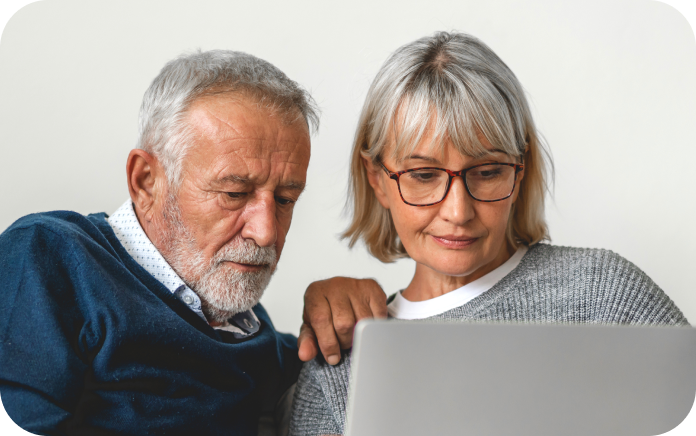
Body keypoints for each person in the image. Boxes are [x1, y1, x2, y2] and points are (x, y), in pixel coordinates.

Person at [288, 31, 689, 436]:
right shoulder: (340, 360)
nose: (458, 212)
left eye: (488, 172)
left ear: (521, 167)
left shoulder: (605, 296)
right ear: (377, 179)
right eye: (424, 176)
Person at [0, 50, 386, 436]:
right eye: (234, 193)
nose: (266, 232)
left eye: (285, 200)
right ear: (146, 181)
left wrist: (340, 305)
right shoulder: (49, 258)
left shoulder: (254, 333)